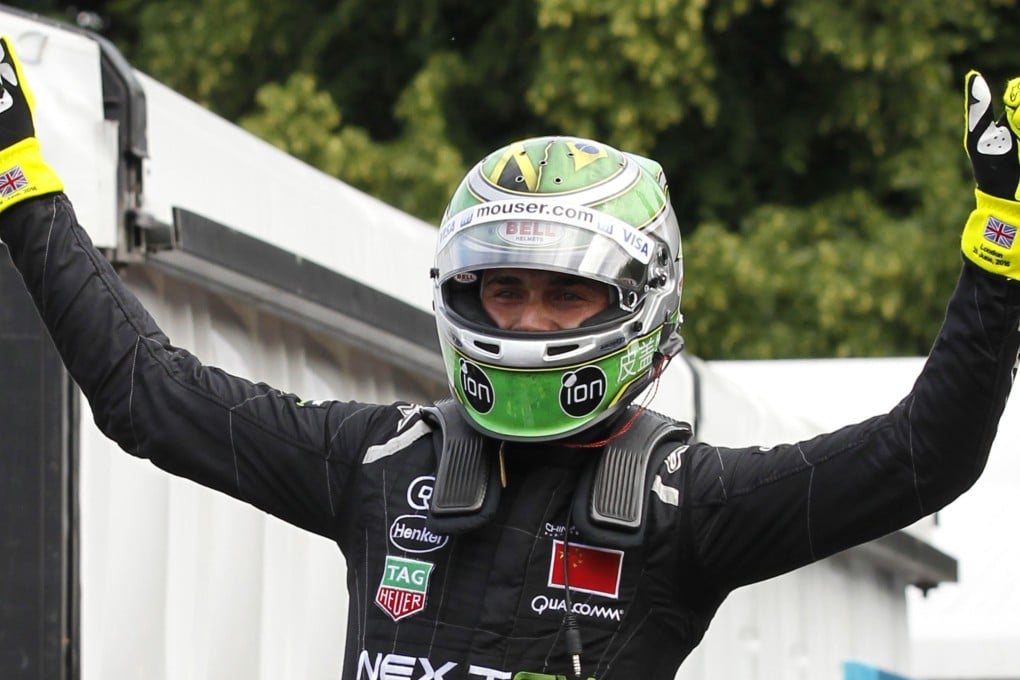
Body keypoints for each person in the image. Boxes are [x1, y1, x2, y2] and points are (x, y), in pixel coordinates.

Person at [1, 33, 1019, 680]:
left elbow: (924, 456)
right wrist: (24, 185)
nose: (529, 320)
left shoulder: (688, 507)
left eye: (566, 290)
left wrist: (1000, 254)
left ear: (637, 305)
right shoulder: (376, 464)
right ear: (460, 293)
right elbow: (149, 395)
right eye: (505, 288)